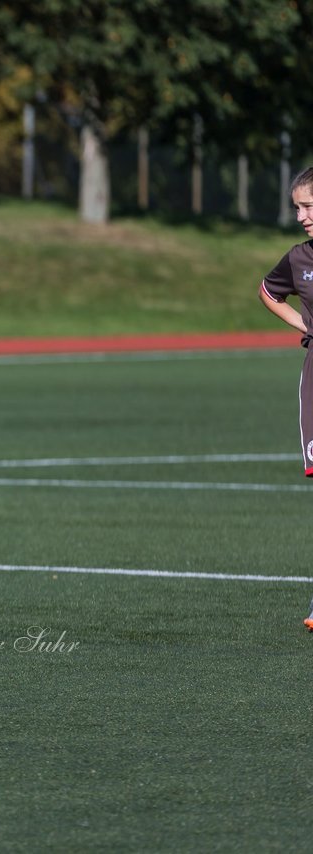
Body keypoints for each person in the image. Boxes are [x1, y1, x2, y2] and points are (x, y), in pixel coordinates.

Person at [255, 165, 313, 632]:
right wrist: (304, 325)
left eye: (308, 206)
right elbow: (268, 292)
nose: (300, 216)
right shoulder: (298, 259)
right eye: (297, 207)